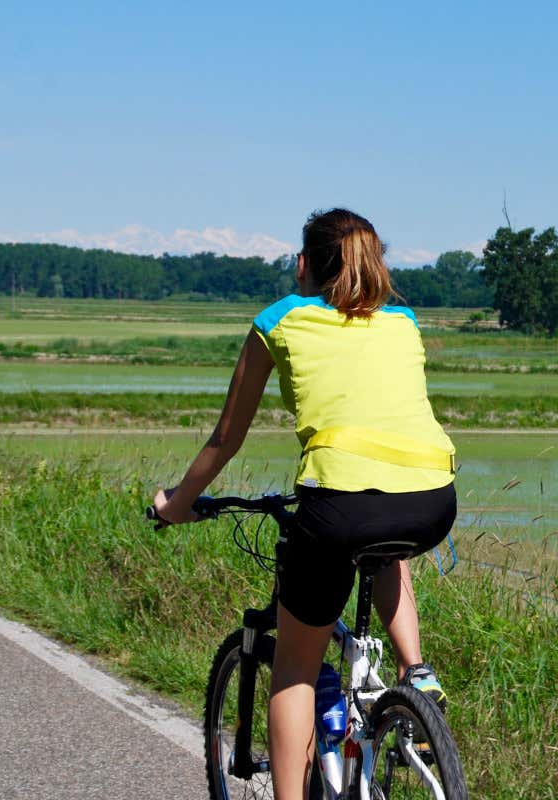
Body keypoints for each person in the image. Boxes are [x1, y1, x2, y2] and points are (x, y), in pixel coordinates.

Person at [152, 208, 456, 799]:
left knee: (293, 670)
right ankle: (414, 670)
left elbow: (226, 438)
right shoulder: (403, 321)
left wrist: (176, 502)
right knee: (387, 539)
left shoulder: (281, 319)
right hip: (432, 499)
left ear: (303, 264)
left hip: (339, 505)